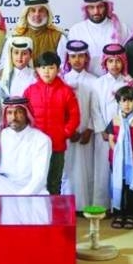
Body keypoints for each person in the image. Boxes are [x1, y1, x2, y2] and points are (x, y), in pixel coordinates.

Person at [0, 97, 52, 196]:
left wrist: (20, 197)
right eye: (9, 113)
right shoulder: (0, 135)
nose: (13, 117)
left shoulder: (41, 139)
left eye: (18, 112)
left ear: (27, 114)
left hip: (31, 190)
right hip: (6, 187)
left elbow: (40, 178)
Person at [23, 51, 80, 195]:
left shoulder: (66, 91)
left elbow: (75, 116)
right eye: (43, 68)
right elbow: (24, 115)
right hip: (35, 146)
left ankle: (54, 216)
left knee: (54, 183)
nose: (46, 71)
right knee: (34, 182)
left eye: (51, 67)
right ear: (37, 69)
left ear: (58, 69)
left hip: (57, 145)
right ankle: (36, 216)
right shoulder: (30, 91)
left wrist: (65, 133)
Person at [59, 40, 101, 208]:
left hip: (86, 134)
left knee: (87, 169)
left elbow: (95, 109)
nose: (77, 60)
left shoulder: (94, 81)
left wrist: (89, 129)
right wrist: (68, 130)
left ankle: (85, 205)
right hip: (67, 134)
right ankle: (68, 206)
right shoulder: (62, 81)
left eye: (80, 56)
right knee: (68, 169)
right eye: (73, 56)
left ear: (86, 58)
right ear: (67, 59)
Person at [105, 86, 133, 229]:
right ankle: (118, 214)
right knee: (118, 187)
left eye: (130, 101)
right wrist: (118, 153)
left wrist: (131, 154)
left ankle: (131, 215)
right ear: (118, 102)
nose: (126, 104)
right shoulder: (115, 120)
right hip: (117, 161)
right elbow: (110, 139)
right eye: (123, 101)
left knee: (132, 189)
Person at [66, 0, 126, 76]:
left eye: (100, 6)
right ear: (86, 9)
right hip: (84, 84)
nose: (96, 12)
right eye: (91, 7)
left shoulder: (122, 28)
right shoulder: (76, 30)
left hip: (114, 83)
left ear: (106, 7)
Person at [2, 0, 67, 63]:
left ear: (47, 14)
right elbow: (4, 64)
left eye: (41, 10)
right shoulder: (15, 36)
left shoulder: (58, 36)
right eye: (33, 10)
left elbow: (63, 66)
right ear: (27, 14)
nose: (37, 14)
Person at [0, 35, 36, 101]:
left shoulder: (35, 76)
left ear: (30, 55)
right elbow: (1, 102)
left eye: (24, 53)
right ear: (11, 54)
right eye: (16, 53)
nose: (19, 57)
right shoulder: (3, 77)